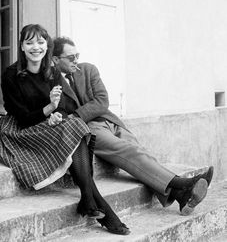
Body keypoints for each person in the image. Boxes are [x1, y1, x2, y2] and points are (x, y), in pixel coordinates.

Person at [0, 24, 130, 236]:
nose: (35, 47)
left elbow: (64, 107)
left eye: (40, 42)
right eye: (29, 42)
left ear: (47, 46)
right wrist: (49, 109)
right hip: (19, 130)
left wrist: (56, 114)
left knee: (75, 124)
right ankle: (94, 201)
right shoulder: (11, 74)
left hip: (46, 122)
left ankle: (88, 198)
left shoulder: (52, 71)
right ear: (21, 46)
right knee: (72, 129)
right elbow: (21, 116)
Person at [52, 36, 214, 216]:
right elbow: (62, 113)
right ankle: (184, 184)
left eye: (77, 55)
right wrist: (77, 117)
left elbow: (102, 100)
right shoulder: (52, 82)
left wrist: (77, 113)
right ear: (56, 60)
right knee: (130, 152)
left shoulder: (88, 70)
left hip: (110, 121)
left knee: (142, 154)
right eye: (71, 57)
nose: (76, 60)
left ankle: (179, 195)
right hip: (88, 129)